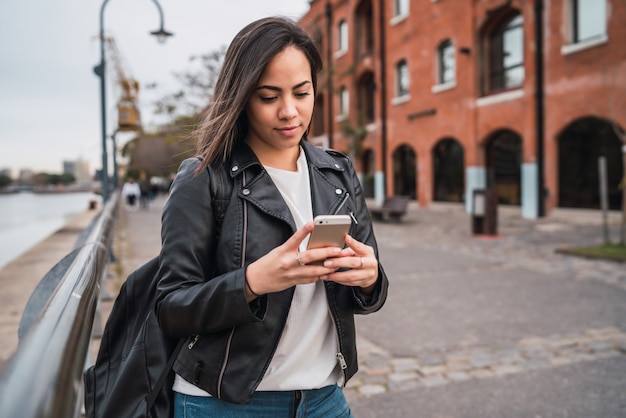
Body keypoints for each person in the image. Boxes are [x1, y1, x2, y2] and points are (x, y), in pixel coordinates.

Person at [155, 16, 389, 418]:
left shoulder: (337, 172)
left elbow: (367, 293)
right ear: (241, 97)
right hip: (222, 403)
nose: (289, 112)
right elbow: (172, 306)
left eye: (302, 93)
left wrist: (369, 279)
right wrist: (253, 281)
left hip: (323, 400)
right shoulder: (202, 178)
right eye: (268, 97)